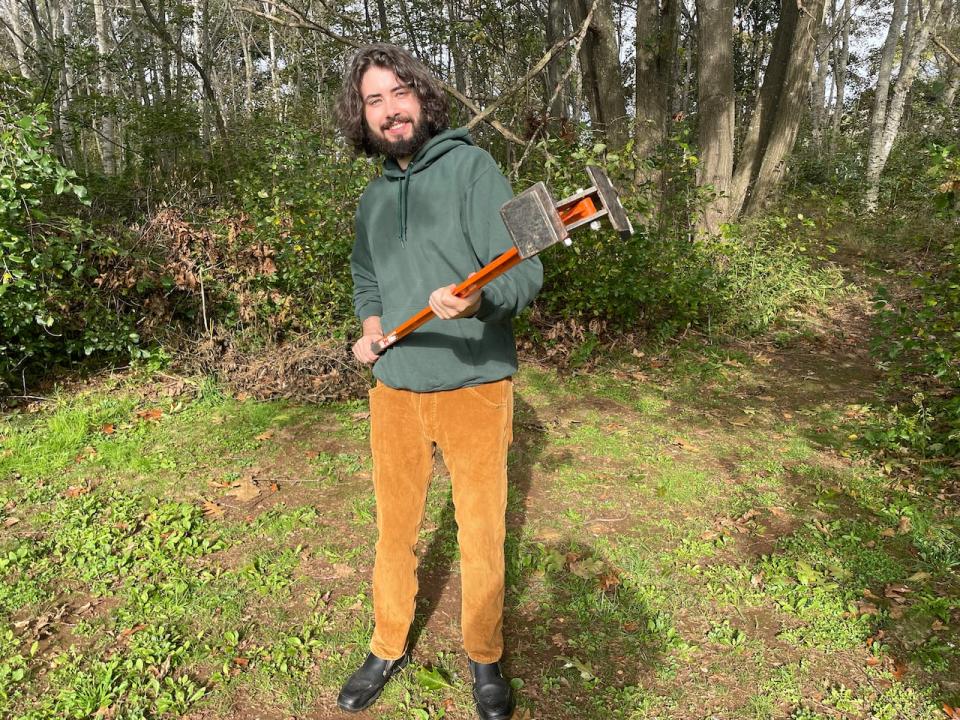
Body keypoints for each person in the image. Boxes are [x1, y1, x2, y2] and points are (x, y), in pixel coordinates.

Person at [333, 44, 542, 720]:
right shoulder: (371, 196)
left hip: (474, 385)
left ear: (422, 96)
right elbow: (367, 277)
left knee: (480, 530)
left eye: (399, 92)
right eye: (374, 100)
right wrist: (370, 332)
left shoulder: (475, 168)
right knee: (395, 532)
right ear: (361, 117)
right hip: (394, 389)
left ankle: (484, 655)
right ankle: (387, 642)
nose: (391, 109)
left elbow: (525, 273)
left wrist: (478, 301)